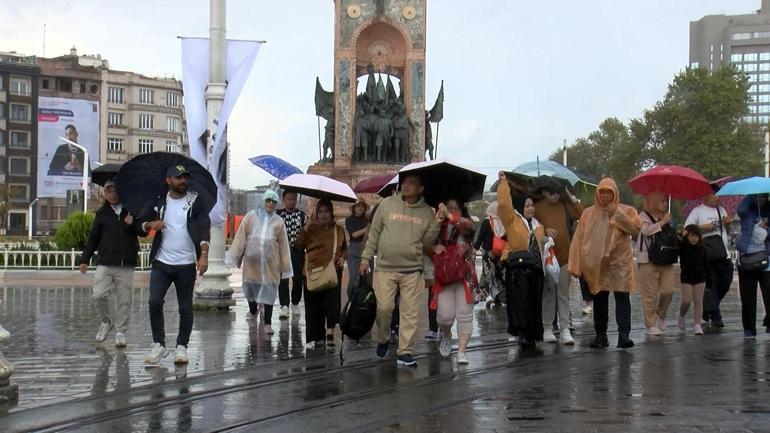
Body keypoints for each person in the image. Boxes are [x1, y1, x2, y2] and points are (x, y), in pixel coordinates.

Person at [359, 173, 441, 367]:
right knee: (384, 309)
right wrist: (365, 258)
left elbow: (427, 242)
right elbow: (374, 234)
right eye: (404, 182)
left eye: (412, 183)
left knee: (410, 313)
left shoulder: (427, 213)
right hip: (386, 268)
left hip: (412, 270)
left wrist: (437, 222)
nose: (406, 186)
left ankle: (405, 351)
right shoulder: (387, 204)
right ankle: (384, 338)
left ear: (421, 188)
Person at [141, 164, 211, 367]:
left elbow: (204, 228)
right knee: (154, 302)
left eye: (185, 178)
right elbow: (141, 224)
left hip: (186, 264)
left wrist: (203, 255)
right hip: (162, 262)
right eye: (178, 178)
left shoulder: (194, 201)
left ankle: (182, 346)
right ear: (168, 180)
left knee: (185, 307)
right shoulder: (159, 201)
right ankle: (158, 345)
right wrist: (149, 225)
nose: (183, 181)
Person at [569, 178, 640, 349]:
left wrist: (616, 212)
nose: (606, 195)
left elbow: (635, 229)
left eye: (609, 192)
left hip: (620, 264)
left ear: (615, 193)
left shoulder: (627, 210)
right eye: (603, 192)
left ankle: (624, 336)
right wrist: (576, 264)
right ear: (597, 193)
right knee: (599, 300)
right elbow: (579, 239)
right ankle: (601, 335)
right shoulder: (588, 213)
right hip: (597, 264)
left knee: (622, 299)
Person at [78, 179, 145, 348]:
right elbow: (94, 237)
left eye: (115, 190)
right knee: (98, 294)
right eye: (109, 191)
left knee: (124, 300)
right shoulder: (102, 213)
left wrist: (132, 224)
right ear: (104, 193)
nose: (112, 194)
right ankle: (106, 321)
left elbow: (141, 231)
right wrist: (85, 259)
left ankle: (121, 331)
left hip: (126, 263)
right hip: (105, 262)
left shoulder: (131, 210)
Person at [227, 190, 293, 335]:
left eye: (273, 202)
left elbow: (283, 245)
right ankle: (253, 310)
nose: (270, 204)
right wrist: (236, 256)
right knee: (250, 289)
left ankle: (268, 323)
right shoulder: (250, 217)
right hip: (252, 264)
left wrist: (285, 266)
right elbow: (240, 237)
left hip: (271, 264)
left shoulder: (278, 221)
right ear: (263, 201)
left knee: (269, 291)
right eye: (268, 200)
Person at [497, 172, 545, 348]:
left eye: (532, 205)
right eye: (527, 205)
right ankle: (523, 333)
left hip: (536, 270)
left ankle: (533, 332)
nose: (531, 208)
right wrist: (504, 184)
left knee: (534, 302)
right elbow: (503, 204)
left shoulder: (539, 226)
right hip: (518, 270)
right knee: (520, 302)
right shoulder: (512, 220)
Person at [534, 181, 583, 345]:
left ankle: (565, 328)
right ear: (544, 192)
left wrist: (570, 197)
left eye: (557, 193)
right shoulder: (538, 207)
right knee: (548, 294)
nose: (555, 196)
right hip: (548, 257)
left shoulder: (564, 204)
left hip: (565, 255)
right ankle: (547, 327)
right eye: (552, 193)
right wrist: (545, 229)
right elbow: (533, 227)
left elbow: (580, 214)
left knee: (563, 293)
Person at [295, 199, 347, 347]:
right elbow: (298, 245)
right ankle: (317, 337)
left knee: (332, 303)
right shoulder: (310, 229)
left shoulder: (338, 230)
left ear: (331, 213)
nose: (324, 215)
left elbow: (344, 248)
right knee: (313, 306)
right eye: (320, 211)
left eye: (327, 211)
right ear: (316, 213)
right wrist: (304, 229)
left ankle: (330, 332)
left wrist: (342, 258)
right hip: (313, 272)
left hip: (332, 271)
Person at [432, 199, 476, 365]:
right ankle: (446, 334)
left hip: (465, 277)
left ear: (461, 209)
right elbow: (426, 240)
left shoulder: (466, 224)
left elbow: (468, 227)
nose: (450, 210)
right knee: (444, 316)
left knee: (465, 315)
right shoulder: (437, 225)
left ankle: (462, 351)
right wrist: (437, 220)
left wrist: (450, 215)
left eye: (454, 207)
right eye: (448, 207)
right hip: (445, 276)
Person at [684, 185, 733, 328]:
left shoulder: (721, 210)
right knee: (712, 285)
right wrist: (702, 228)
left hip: (724, 254)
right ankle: (716, 315)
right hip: (705, 256)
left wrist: (728, 225)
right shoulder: (697, 211)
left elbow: (727, 233)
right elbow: (687, 233)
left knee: (725, 282)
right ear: (706, 195)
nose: (717, 197)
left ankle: (708, 308)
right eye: (714, 194)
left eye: (718, 194)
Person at [637, 191, 676, 336]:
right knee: (650, 295)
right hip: (648, 260)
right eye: (662, 201)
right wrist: (662, 222)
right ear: (652, 201)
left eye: (666, 201)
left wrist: (667, 223)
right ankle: (651, 324)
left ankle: (661, 313)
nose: (665, 203)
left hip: (666, 259)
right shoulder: (643, 216)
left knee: (668, 290)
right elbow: (646, 231)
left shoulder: (667, 217)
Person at [735, 194, 770, 338]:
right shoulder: (747, 209)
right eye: (756, 197)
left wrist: (766, 229)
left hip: (766, 257)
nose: (759, 200)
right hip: (747, 257)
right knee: (748, 297)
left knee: (768, 294)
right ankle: (749, 329)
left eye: (762, 197)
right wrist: (750, 199)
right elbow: (740, 210)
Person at [277, 191, 306, 319]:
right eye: (289, 199)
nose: (291, 201)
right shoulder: (278, 215)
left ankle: (295, 303)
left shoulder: (301, 215)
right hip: (282, 252)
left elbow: (305, 232)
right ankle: (284, 305)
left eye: (293, 199)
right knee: (283, 280)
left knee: (298, 279)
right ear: (284, 200)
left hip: (297, 251)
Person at [474, 201, 506, 308]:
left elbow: (480, 238)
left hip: (488, 254)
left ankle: (482, 296)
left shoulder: (486, 222)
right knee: (499, 276)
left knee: (488, 276)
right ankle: (500, 297)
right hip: (502, 254)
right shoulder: (503, 223)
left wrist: (474, 250)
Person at [678, 225, 708, 335]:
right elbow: (677, 246)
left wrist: (709, 281)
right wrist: (682, 235)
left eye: (696, 236)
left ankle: (697, 325)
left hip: (700, 277)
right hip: (686, 277)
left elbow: (707, 265)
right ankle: (681, 315)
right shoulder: (683, 247)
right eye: (691, 236)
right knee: (687, 300)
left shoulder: (703, 249)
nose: (693, 239)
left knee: (698, 301)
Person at [345, 200, 369, 294]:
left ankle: (363, 300)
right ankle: (351, 297)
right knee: (354, 276)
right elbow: (354, 234)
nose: (360, 208)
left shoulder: (367, 220)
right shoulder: (349, 219)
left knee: (366, 277)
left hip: (366, 249)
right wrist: (367, 228)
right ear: (354, 207)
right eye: (358, 206)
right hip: (353, 250)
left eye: (362, 206)